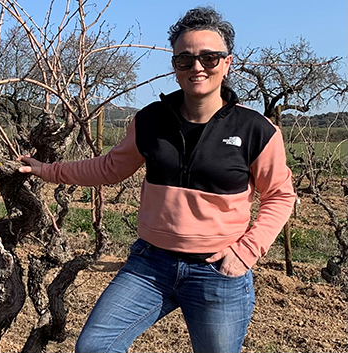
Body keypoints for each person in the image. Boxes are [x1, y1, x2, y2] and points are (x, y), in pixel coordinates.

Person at [18, 6, 296, 353]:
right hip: (150, 264)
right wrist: (47, 170)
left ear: (227, 63)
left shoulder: (256, 130)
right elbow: (110, 168)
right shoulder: (150, 120)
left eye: (209, 58)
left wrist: (245, 252)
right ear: (175, 67)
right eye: (185, 59)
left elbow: (280, 196)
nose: (197, 67)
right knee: (94, 347)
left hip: (217, 272)